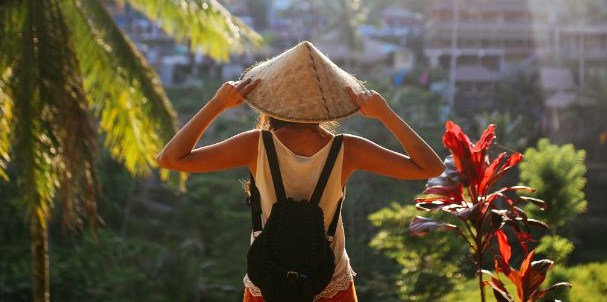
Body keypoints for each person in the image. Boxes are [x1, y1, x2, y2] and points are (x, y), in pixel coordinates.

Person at [156, 42, 444, 302]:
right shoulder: (348, 150)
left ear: (271, 104)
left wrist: (218, 103)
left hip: (270, 281)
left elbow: (171, 158)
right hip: (330, 280)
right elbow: (431, 167)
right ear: (327, 106)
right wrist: (384, 113)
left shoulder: (254, 145)